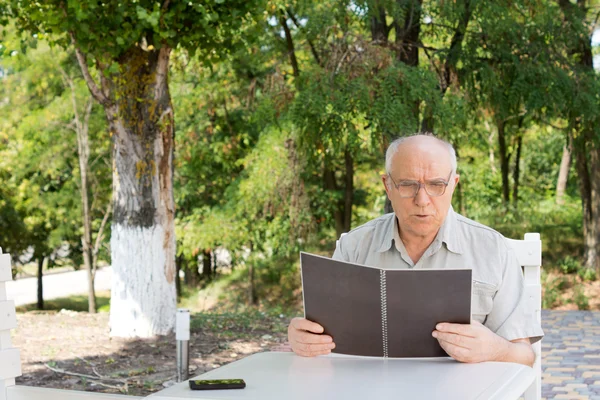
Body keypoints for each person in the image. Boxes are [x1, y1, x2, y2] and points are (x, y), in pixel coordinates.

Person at [287, 134, 543, 366]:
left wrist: (494, 349)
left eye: (436, 185)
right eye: (408, 185)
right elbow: (323, 340)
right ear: (388, 186)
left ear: (453, 184)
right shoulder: (354, 247)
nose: (422, 200)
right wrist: (303, 339)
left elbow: (525, 356)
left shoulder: (492, 249)